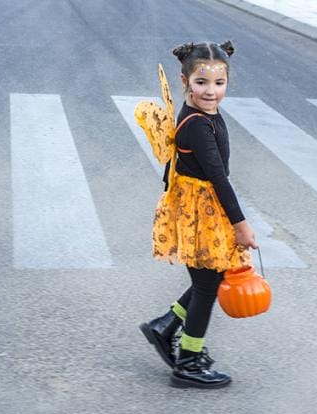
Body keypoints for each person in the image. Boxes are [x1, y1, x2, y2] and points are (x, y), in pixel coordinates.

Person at [139, 41, 258, 389]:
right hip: (199, 212)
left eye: (219, 83)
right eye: (202, 83)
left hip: (202, 208)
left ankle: (165, 327)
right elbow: (218, 177)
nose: (211, 91)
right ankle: (189, 361)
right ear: (184, 81)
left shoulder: (205, 114)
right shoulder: (196, 125)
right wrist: (241, 225)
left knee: (210, 278)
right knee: (207, 286)